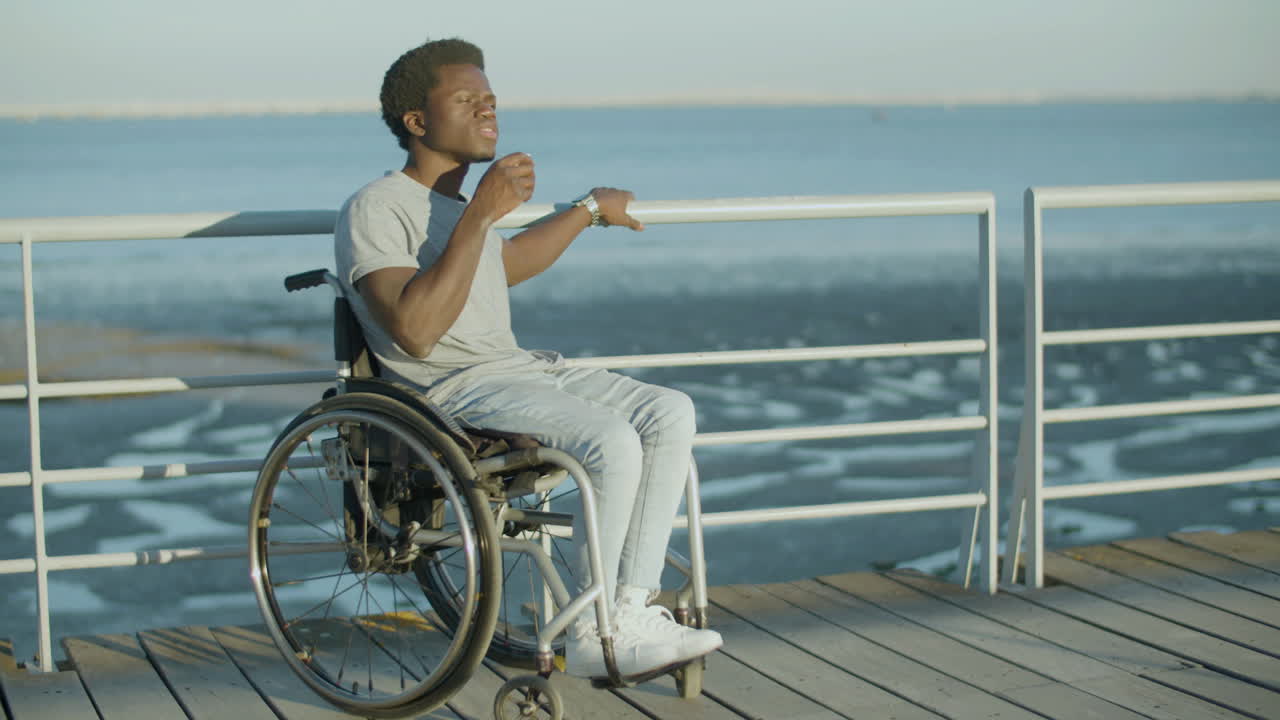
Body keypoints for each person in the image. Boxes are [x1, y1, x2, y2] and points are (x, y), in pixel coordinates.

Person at [333, 37, 723, 680]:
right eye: (467, 100)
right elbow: (415, 330)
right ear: (417, 121)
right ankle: (598, 632)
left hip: (521, 370)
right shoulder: (375, 207)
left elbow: (506, 265)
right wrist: (481, 213)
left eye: (490, 100)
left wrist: (589, 210)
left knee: (669, 412)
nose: (488, 110)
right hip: (450, 391)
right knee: (609, 438)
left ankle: (625, 610)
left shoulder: (459, 211)